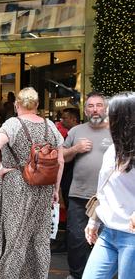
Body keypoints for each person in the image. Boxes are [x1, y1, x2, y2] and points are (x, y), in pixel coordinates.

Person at [0, 87, 65, 278]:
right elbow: (60, 161)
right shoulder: (50, 125)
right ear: (37, 105)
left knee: (16, 236)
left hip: (17, 185)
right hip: (44, 187)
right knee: (39, 238)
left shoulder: (13, 123)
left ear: (16, 105)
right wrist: (56, 189)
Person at [83, 92, 135, 279]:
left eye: (111, 114)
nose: (107, 118)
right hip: (108, 232)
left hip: (132, 235)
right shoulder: (113, 149)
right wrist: (93, 221)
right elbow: (103, 190)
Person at [62, 92, 112, 279]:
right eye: (91, 106)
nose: (95, 109)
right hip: (79, 195)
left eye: (99, 105)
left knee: (109, 239)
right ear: (85, 110)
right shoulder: (76, 131)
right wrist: (75, 149)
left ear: (105, 108)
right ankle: (77, 275)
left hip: (108, 197)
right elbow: (61, 156)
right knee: (76, 238)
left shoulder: (116, 130)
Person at [52, 107, 80, 253]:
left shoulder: (76, 134)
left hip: (73, 179)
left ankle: (70, 243)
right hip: (69, 178)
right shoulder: (70, 133)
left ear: (74, 119)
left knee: (73, 212)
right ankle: (69, 242)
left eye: (65, 118)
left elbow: (63, 155)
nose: (62, 121)